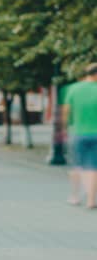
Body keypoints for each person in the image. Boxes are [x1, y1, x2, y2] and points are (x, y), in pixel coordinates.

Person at [63, 63, 97, 209]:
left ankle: (75, 196)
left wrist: (66, 127)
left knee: (76, 166)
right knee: (93, 167)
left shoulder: (73, 89)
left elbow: (66, 111)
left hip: (77, 133)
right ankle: (91, 200)